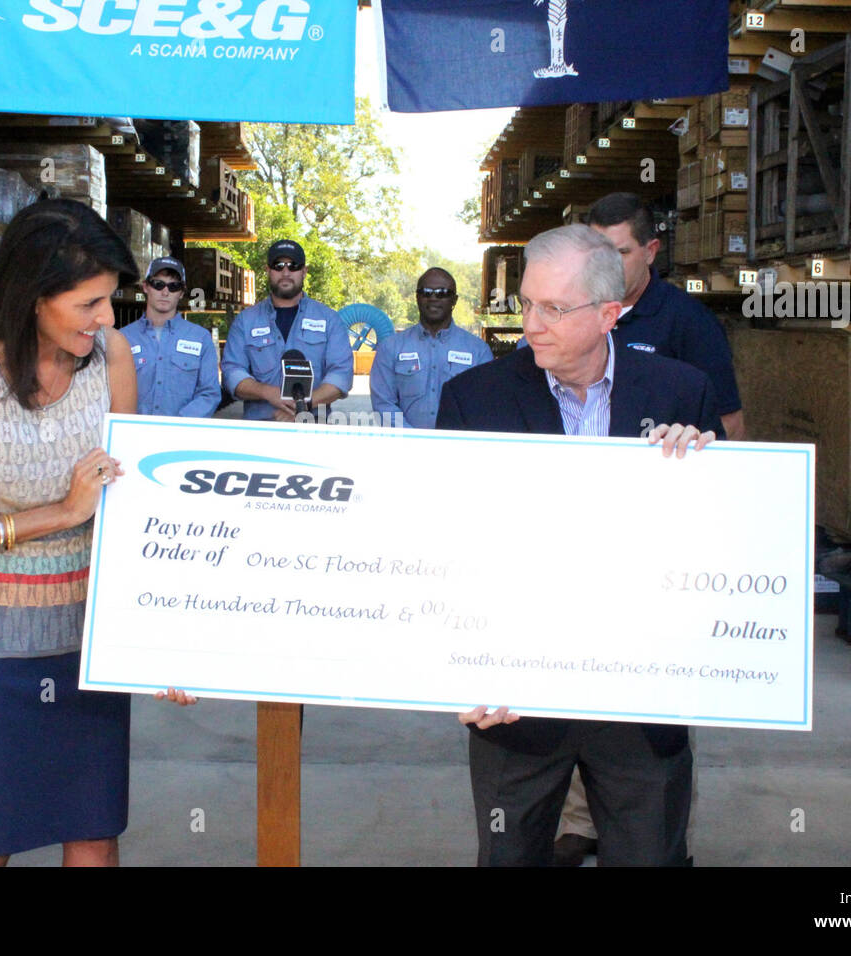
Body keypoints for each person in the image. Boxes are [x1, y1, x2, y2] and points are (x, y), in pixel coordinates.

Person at [0, 199, 195, 867]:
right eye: (89, 303)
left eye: (110, 299)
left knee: (93, 835)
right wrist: (58, 514)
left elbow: (130, 512)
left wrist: (158, 637)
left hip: (85, 643)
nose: (107, 318)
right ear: (34, 297)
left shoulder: (112, 357)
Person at [436, 224, 721, 867]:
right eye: (527, 303)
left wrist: (703, 468)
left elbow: (718, 541)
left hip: (642, 691)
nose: (532, 324)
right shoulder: (475, 400)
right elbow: (449, 546)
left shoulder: (680, 394)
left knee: (650, 857)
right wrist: (462, 663)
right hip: (515, 695)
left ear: (609, 314)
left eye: (554, 308)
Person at [585, 192, 746, 441]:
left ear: (650, 252)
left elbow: (729, 424)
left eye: (621, 253)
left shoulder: (692, 323)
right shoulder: (575, 314)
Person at [221, 239, 352, 421]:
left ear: (304, 271)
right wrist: (268, 393)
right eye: (278, 265)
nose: (285, 272)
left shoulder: (330, 320)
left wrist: (304, 405)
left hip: (313, 427)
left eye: (293, 266)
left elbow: (341, 375)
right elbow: (232, 373)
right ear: (268, 270)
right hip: (259, 430)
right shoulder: (245, 321)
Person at [369, 268, 493, 429]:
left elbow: (484, 405)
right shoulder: (390, 347)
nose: (433, 298)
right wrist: (414, 439)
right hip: (405, 443)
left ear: (454, 300)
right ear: (417, 297)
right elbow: (383, 404)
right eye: (426, 292)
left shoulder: (478, 351)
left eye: (442, 293)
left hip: (458, 443)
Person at [120, 256, 220, 418]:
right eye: (158, 284)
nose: (165, 292)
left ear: (181, 292)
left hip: (182, 433)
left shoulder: (201, 338)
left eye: (173, 286)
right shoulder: (122, 338)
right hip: (135, 432)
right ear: (145, 287)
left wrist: (176, 426)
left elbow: (209, 394)